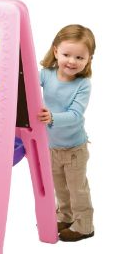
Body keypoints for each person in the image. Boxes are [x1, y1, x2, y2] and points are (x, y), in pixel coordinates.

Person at [37, 24, 96, 242]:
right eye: (66, 55)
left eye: (79, 57)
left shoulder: (83, 84)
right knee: (60, 188)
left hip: (74, 149)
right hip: (52, 146)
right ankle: (65, 216)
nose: (72, 61)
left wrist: (52, 117)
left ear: (88, 59)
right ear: (55, 52)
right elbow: (27, 85)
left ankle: (85, 225)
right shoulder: (46, 75)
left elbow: (75, 115)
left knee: (77, 189)